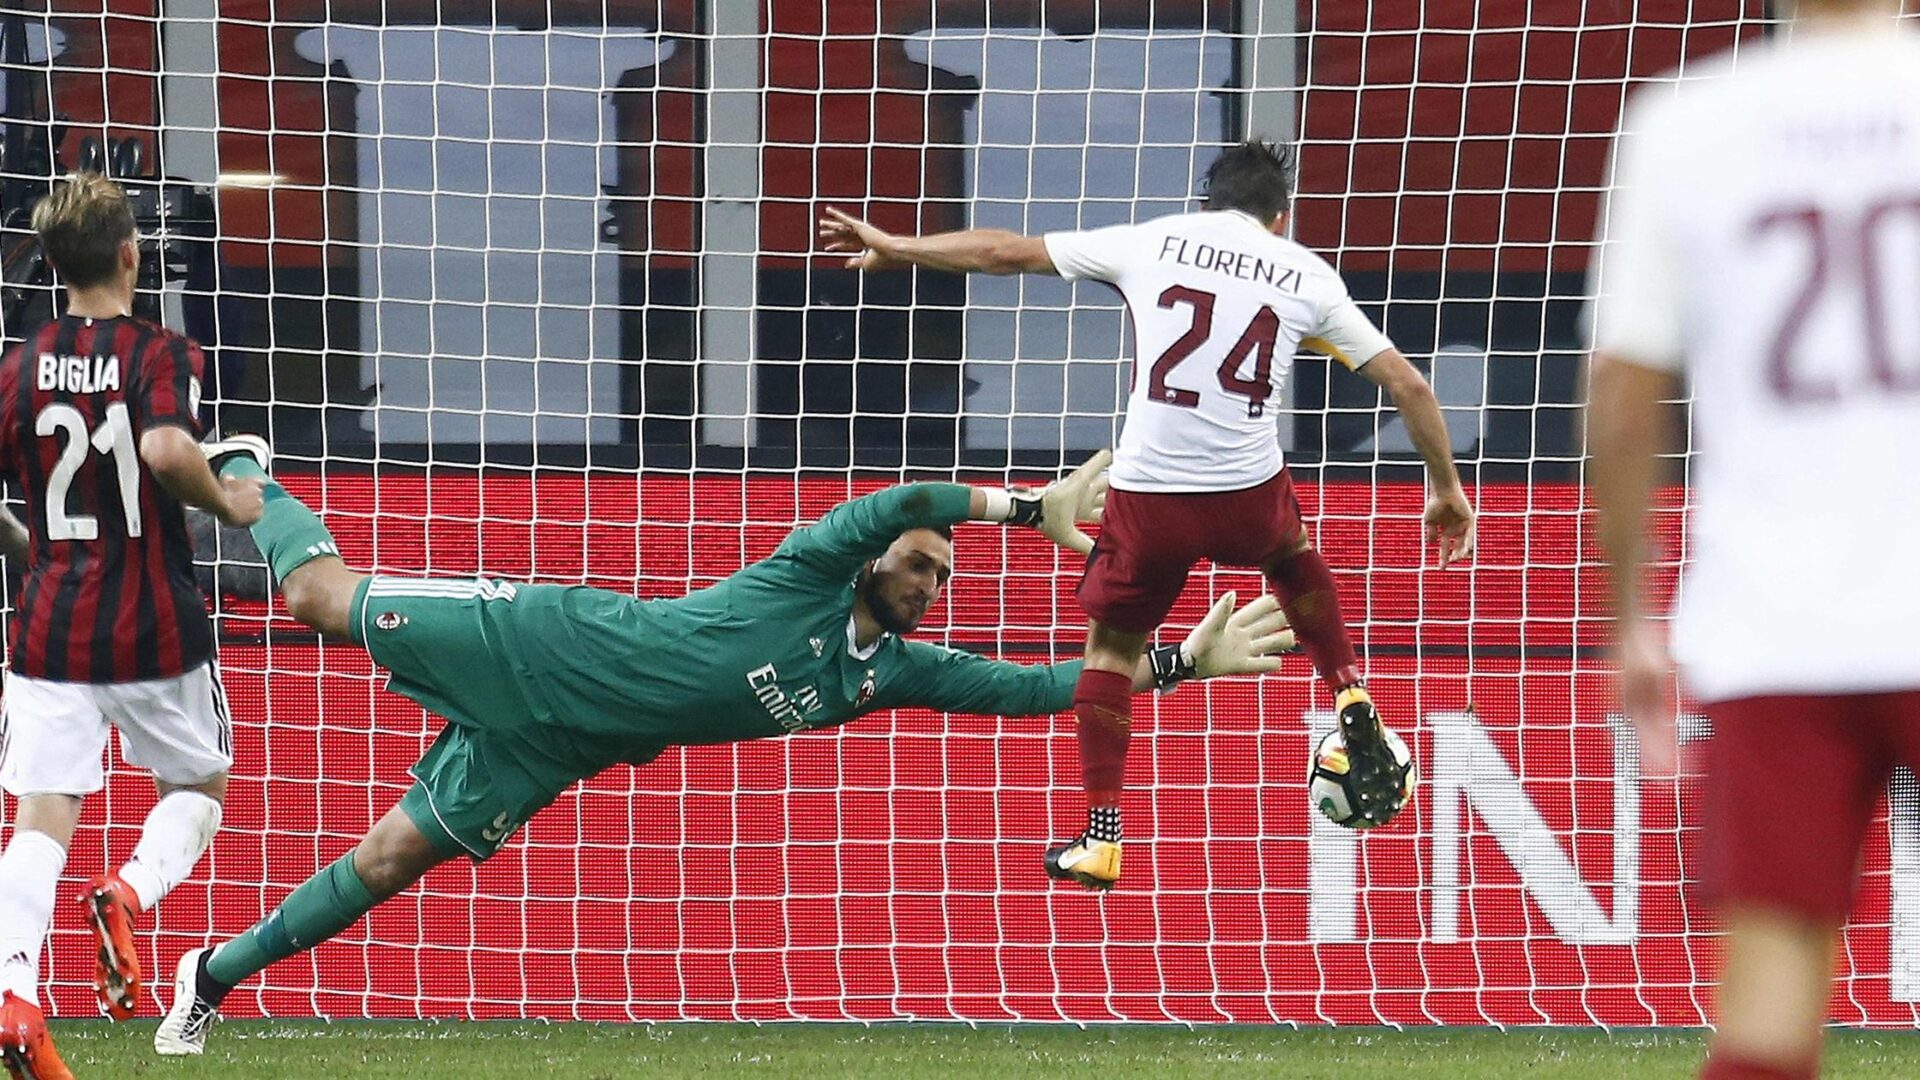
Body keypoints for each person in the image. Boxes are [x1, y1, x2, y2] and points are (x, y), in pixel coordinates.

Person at [152, 446, 1294, 1055]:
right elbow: (903, 495)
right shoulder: (812, 564)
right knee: (313, 596)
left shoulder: (882, 672)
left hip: (566, 741)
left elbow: (1040, 689)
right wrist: (1023, 504)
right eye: (919, 562)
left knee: (393, 860)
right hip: (539, 638)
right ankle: (254, 476)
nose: (930, 578)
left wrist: (1182, 664)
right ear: (871, 562)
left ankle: (207, 982)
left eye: (944, 573)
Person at [818, 140, 1475, 889]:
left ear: (1207, 205)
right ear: (1280, 219)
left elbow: (1004, 252)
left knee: (1107, 654)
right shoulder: (1306, 274)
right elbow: (1411, 386)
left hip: (1151, 494)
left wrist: (895, 246)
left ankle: (1101, 836)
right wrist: (1445, 489)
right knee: (1292, 556)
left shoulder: (1155, 240)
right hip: (1245, 491)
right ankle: (1350, 690)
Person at [1587, 4, 1920, 1078]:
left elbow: (1624, 389)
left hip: (1776, 623)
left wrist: (1633, 615)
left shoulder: (1689, 123)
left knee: (1770, 1010)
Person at [0, 173, 266, 1080]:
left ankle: (15, 996)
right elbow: (159, 447)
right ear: (129, 254)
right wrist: (228, 504)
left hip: (48, 627)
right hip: (153, 622)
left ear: (51, 266)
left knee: (40, 820)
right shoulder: (162, 353)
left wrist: (29, 547)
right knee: (201, 781)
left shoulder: (20, 363)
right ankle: (127, 892)